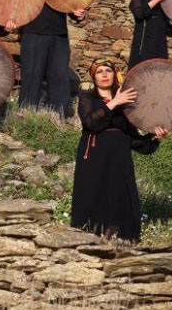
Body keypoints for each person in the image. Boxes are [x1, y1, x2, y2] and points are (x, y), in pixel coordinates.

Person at [70, 59, 165, 242]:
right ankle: (90, 239)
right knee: (95, 193)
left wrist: (153, 137)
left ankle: (119, 240)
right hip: (95, 156)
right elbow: (91, 122)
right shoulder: (87, 98)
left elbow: (133, 139)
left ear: (115, 75)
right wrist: (114, 102)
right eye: (99, 72)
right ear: (93, 77)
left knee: (118, 195)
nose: (104, 74)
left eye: (108, 70)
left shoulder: (126, 104)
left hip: (119, 157)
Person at [17, 0, 86, 118]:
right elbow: (17, 5)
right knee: (31, 78)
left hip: (59, 36)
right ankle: (25, 118)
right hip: (33, 34)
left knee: (59, 78)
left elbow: (72, 8)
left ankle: (59, 119)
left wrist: (79, 14)